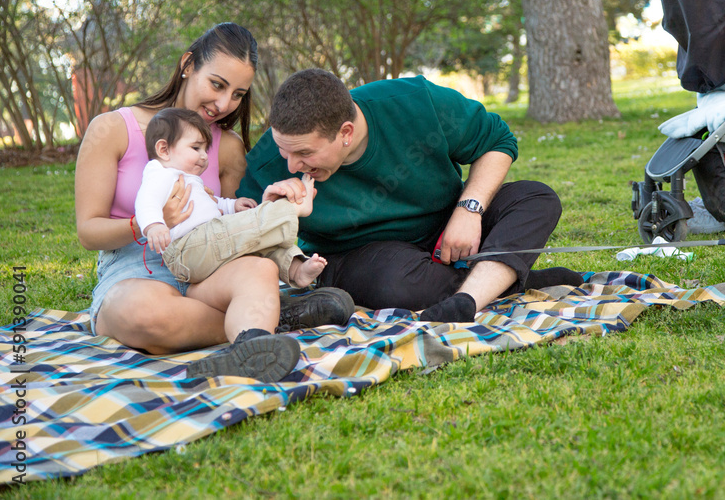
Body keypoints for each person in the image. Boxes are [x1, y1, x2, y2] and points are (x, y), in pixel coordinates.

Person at [75, 24, 352, 383]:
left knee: (259, 271)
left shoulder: (227, 146)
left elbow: (229, 230)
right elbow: (89, 231)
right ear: (188, 65)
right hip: (134, 272)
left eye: (238, 94)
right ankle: (271, 320)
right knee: (141, 315)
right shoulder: (113, 128)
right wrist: (147, 223)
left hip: (205, 267)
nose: (224, 105)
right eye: (217, 85)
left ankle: (253, 335)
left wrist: (263, 205)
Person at [237, 69, 584, 323]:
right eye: (283, 150)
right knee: (397, 286)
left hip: (448, 228)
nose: (291, 164)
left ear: (346, 133)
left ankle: (470, 295)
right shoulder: (269, 162)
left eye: (304, 153)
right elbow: (238, 238)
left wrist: (469, 209)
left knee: (536, 198)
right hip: (362, 257)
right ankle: (499, 284)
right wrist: (274, 213)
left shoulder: (415, 102)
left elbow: (497, 141)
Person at [134, 107, 328, 288]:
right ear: (163, 150)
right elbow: (146, 200)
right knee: (246, 226)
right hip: (188, 249)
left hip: (206, 245)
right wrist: (154, 225)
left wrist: (233, 206)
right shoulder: (160, 173)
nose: (204, 156)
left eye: (205, 150)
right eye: (196, 148)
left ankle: (296, 269)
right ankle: (292, 208)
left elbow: (212, 204)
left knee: (258, 241)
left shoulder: (190, 181)